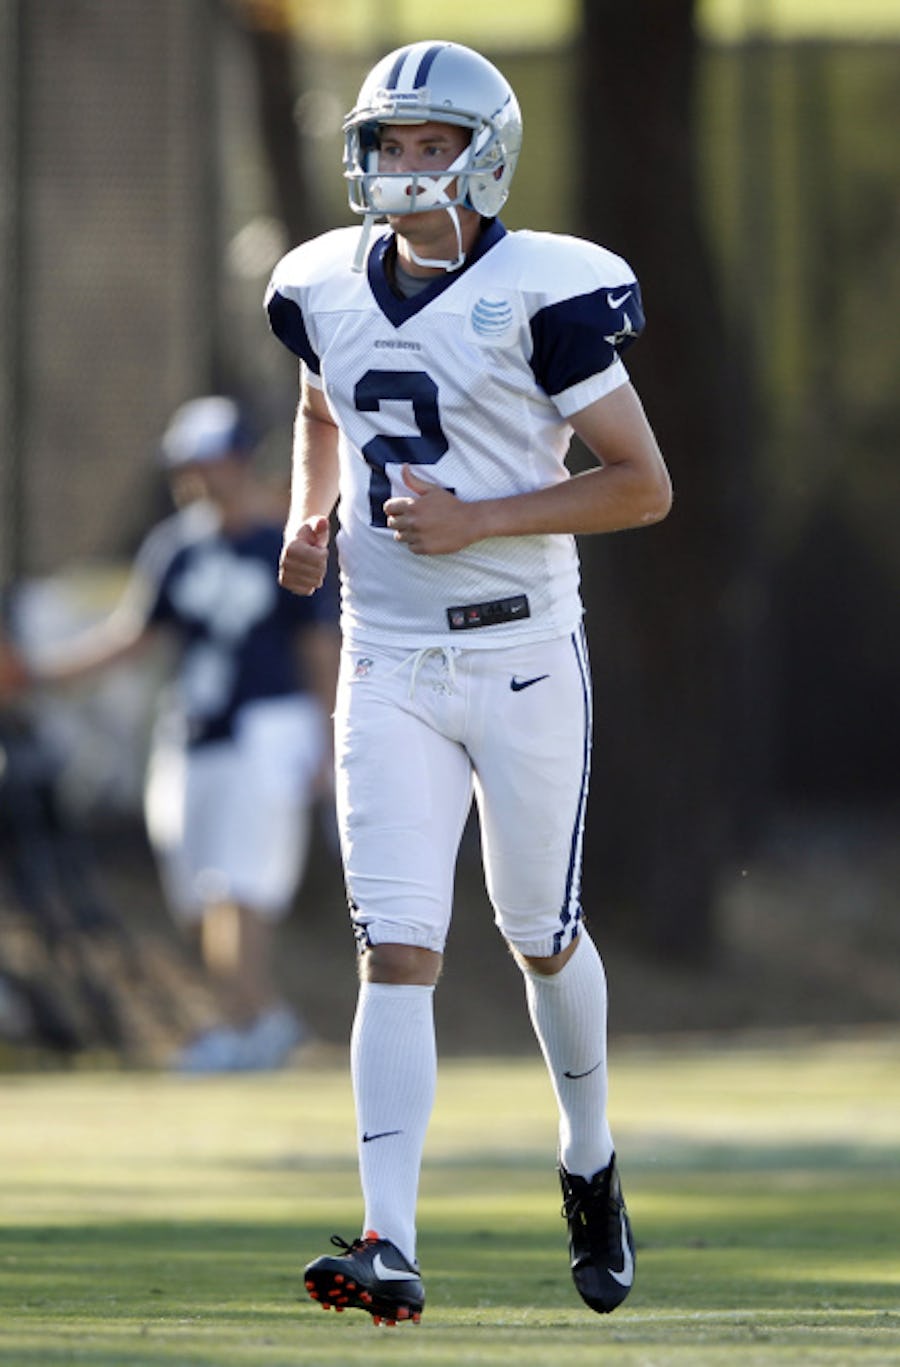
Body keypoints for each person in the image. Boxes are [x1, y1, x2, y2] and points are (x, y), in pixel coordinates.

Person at [265, 40, 672, 1323]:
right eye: (389, 142)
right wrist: (311, 514)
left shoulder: (542, 292)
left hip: (520, 653)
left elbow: (641, 484)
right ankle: (388, 1238)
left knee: (540, 933)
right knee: (396, 946)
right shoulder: (321, 282)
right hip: (386, 657)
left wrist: (480, 518)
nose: (404, 164)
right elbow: (322, 407)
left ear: (484, 159)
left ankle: (589, 1159)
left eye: (431, 144)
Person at [0, 397, 339, 1071]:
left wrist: (330, 739)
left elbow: (318, 648)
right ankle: (261, 1019)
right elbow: (132, 637)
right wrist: (37, 673)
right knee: (198, 888)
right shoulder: (177, 547)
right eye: (186, 466)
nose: (196, 478)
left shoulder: (284, 539)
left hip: (268, 726)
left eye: (207, 462)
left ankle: (241, 1023)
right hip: (193, 727)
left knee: (242, 886)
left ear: (239, 460)